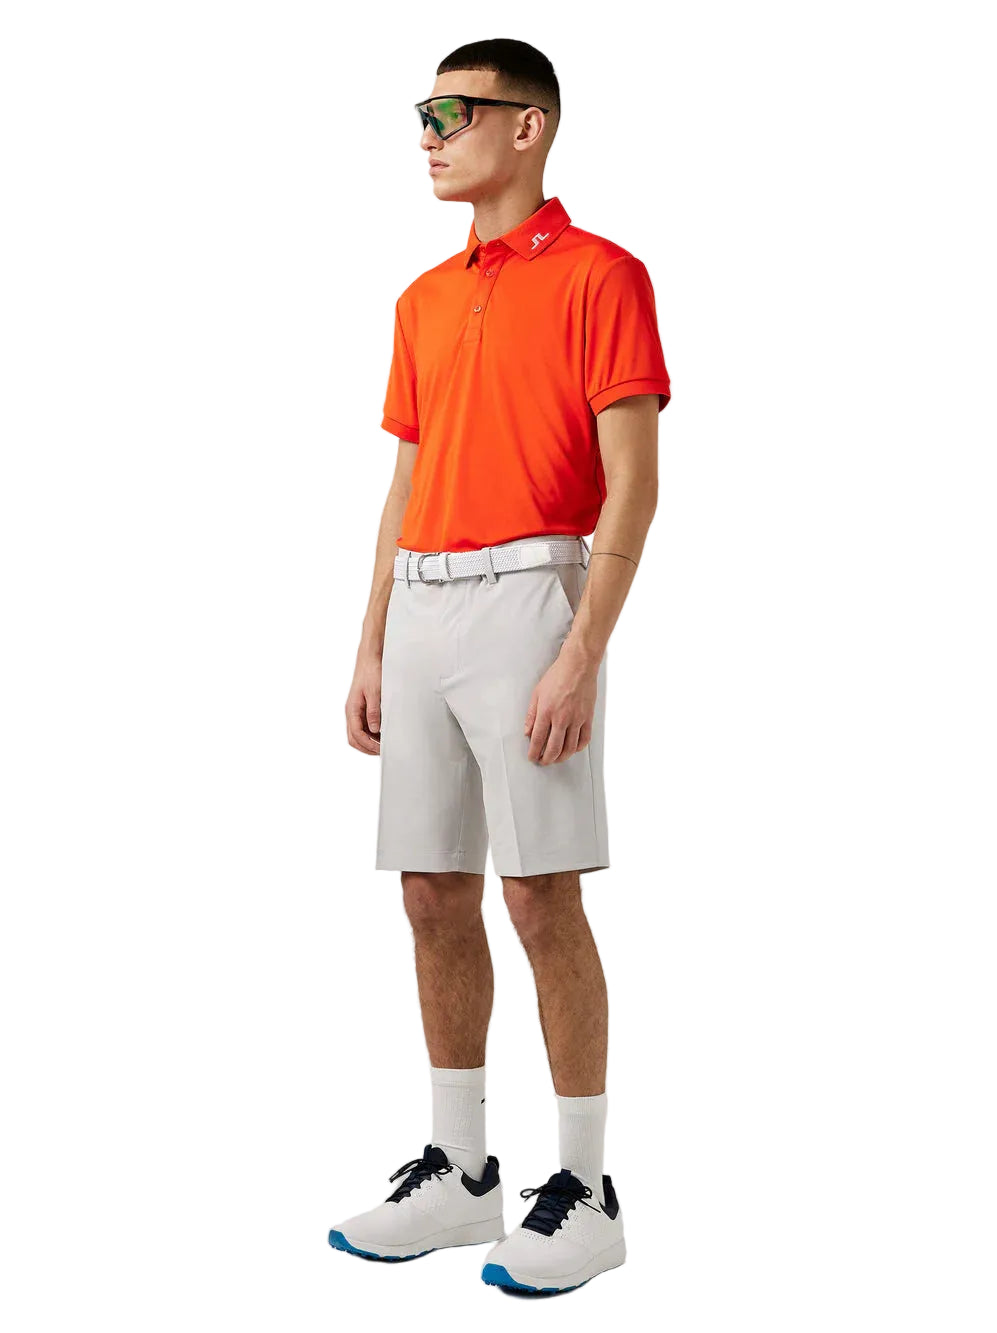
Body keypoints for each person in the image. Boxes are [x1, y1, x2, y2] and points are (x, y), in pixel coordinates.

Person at [330, 38, 671, 1295]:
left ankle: (585, 1189)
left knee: (539, 896)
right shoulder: (422, 299)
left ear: (525, 127)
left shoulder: (602, 276)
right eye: (421, 114)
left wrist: (583, 650)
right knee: (430, 890)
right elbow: (406, 480)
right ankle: (464, 1173)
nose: (427, 135)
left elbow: (632, 484)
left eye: (450, 112)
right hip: (422, 600)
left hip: (534, 596)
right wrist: (370, 635)